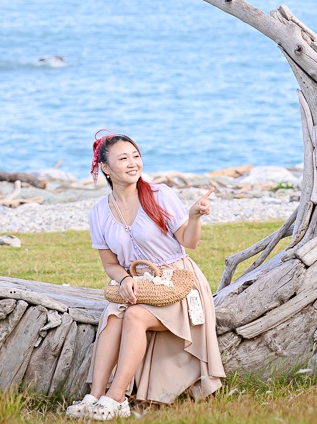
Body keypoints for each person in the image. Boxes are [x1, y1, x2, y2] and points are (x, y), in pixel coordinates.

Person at [66, 132, 224, 420]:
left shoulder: (160, 194)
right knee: (113, 315)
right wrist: (124, 279)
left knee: (135, 315)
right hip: (140, 285)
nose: (133, 163)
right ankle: (94, 395)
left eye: (136, 156)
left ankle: (117, 398)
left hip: (178, 284)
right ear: (105, 168)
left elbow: (189, 242)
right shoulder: (99, 212)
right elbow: (110, 264)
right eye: (123, 158)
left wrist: (195, 217)